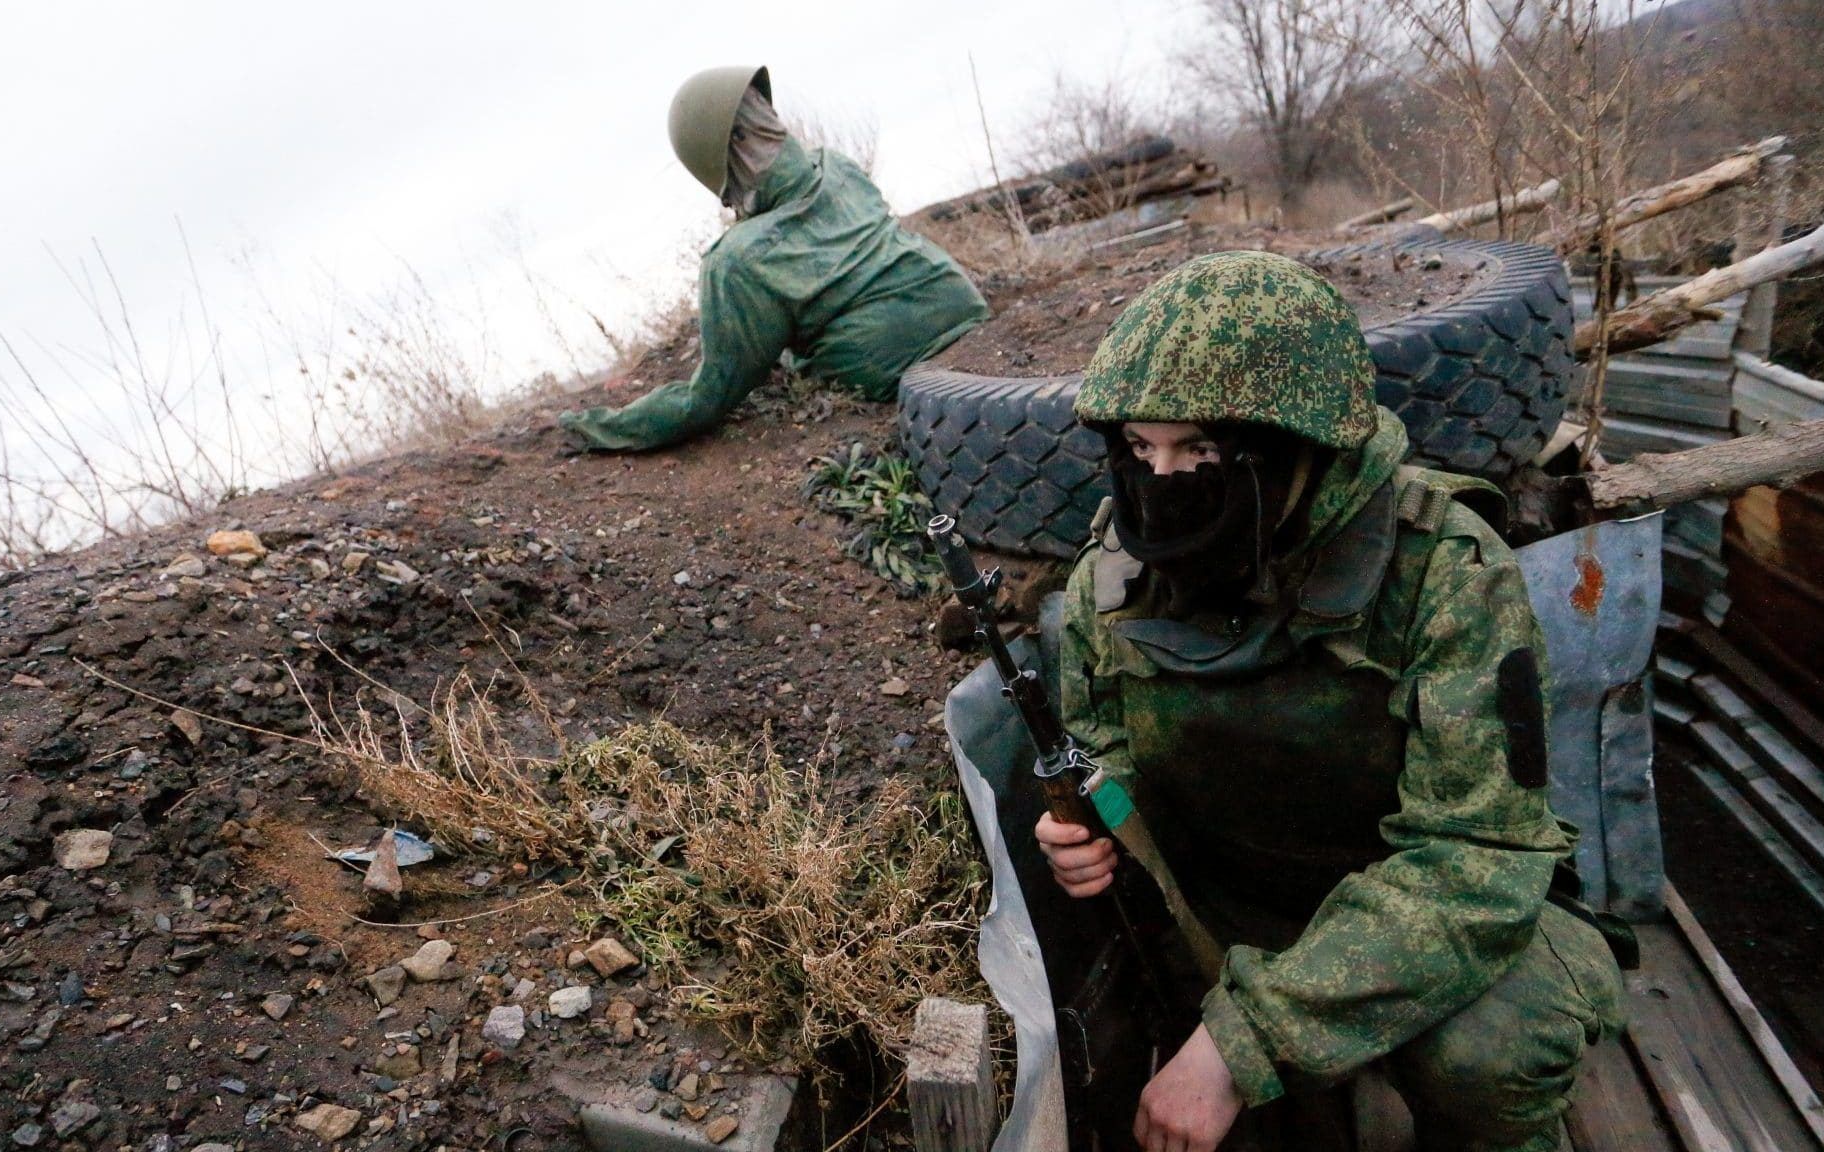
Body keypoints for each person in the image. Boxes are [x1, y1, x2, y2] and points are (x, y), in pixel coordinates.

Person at [1036, 250, 1627, 1151]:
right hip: (1231, 901)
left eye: (1199, 448)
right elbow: (1103, 747)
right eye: (1141, 449)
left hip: (1436, 906)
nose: (1163, 484)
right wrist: (1090, 824)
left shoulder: (1443, 572)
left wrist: (1242, 1041)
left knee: (1492, 1056)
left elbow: (1478, 855)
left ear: (1305, 446)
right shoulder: (1113, 580)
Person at [557, 66, 988, 452]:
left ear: (722, 161)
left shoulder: (736, 261)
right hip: (960, 301)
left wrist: (598, 426)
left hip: (890, 358)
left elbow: (708, 399)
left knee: (793, 362)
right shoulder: (837, 166)